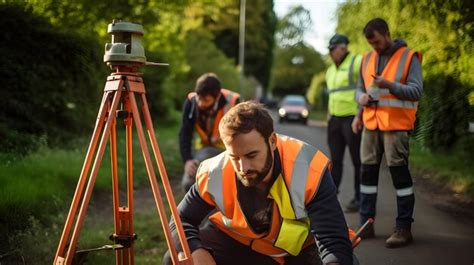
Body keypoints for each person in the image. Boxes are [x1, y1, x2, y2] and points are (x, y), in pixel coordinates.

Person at [165, 102, 354, 265]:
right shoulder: (214, 172)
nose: (243, 167)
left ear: (272, 141)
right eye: (234, 157)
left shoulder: (308, 167)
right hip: (238, 245)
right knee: (177, 257)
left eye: (251, 155)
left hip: (297, 253)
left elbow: (332, 237)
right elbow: (180, 220)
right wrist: (197, 252)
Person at [352, 18, 423, 248]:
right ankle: (366, 223)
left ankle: (403, 229)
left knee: (400, 178)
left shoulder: (408, 57)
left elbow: (415, 91)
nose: (375, 47)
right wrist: (359, 106)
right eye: (371, 44)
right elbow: (360, 90)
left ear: (387, 34)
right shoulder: (367, 58)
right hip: (371, 125)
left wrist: (389, 84)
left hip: (396, 126)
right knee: (367, 177)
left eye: (378, 42)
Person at [179, 73, 240, 192]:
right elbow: (185, 133)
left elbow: (242, 134)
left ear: (217, 97)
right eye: (199, 98)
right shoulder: (191, 102)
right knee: (188, 182)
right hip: (204, 150)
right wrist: (187, 160)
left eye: (206, 100)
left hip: (229, 152)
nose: (201, 103)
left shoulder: (234, 102)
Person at [325, 34, 362, 213]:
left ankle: (360, 198)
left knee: (358, 161)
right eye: (331, 50)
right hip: (334, 120)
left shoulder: (357, 62)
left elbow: (366, 86)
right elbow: (332, 95)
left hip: (352, 119)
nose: (332, 53)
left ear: (344, 47)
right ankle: (331, 197)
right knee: (335, 161)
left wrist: (361, 115)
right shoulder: (330, 70)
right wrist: (328, 116)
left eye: (334, 49)